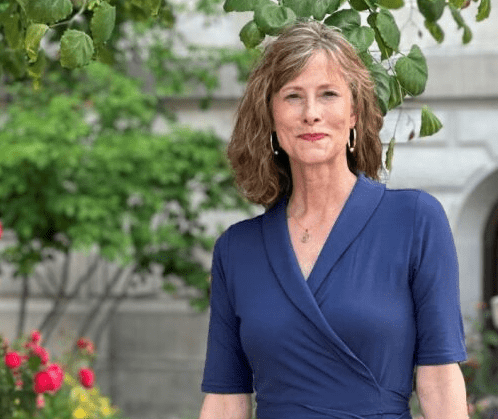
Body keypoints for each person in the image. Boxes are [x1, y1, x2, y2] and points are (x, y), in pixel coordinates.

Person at [198, 20, 468, 419]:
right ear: (270, 117)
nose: (311, 114)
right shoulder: (237, 249)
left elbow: (440, 382)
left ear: (354, 112)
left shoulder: (415, 221)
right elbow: (225, 400)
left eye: (328, 95)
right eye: (293, 96)